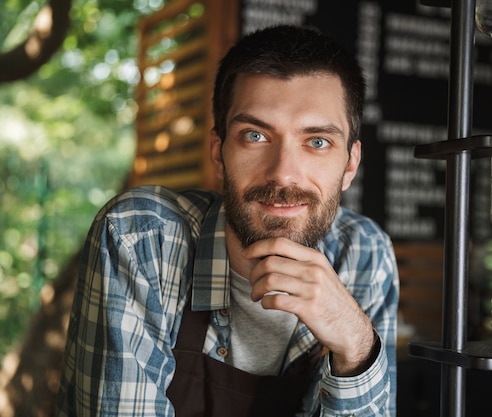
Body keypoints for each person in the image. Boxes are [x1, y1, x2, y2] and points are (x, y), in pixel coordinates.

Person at [56, 24, 399, 417]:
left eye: (317, 141)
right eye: (255, 136)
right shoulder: (142, 237)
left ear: (350, 163)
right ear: (218, 153)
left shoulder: (366, 254)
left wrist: (356, 345)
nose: (284, 174)